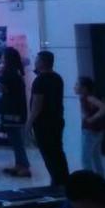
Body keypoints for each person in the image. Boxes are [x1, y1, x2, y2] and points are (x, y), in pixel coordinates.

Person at [28, 50, 69, 187]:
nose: (35, 62)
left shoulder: (40, 80)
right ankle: (64, 180)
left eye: (37, 60)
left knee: (48, 154)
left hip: (43, 123)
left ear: (42, 62)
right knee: (57, 151)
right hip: (57, 119)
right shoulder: (57, 78)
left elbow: (37, 106)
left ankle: (57, 182)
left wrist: (29, 124)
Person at [0, 46, 31, 177]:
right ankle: (19, 164)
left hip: (11, 110)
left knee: (16, 140)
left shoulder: (8, 73)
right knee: (16, 139)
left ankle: (24, 165)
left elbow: (4, 89)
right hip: (18, 109)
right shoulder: (17, 72)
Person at [75, 76, 105, 177]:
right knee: (96, 157)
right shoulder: (85, 98)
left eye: (77, 84)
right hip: (96, 131)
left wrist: (93, 118)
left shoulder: (89, 98)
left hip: (90, 131)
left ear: (84, 88)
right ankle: (101, 179)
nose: (75, 87)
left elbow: (104, 108)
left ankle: (90, 181)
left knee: (85, 159)